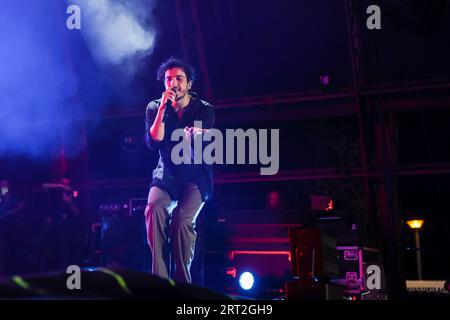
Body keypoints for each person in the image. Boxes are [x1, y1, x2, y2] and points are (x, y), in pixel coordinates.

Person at [144, 57, 214, 283]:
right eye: (169, 79)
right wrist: (163, 109)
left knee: (181, 220)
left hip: (195, 177)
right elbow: (155, 141)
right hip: (166, 176)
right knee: (153, 208)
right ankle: (160, 282)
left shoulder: (204, 110)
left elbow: (200, 143)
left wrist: (194, 137)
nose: (174, 83)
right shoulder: (155, 107)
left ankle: (183, 286)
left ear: (189, 84)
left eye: (179, 79)